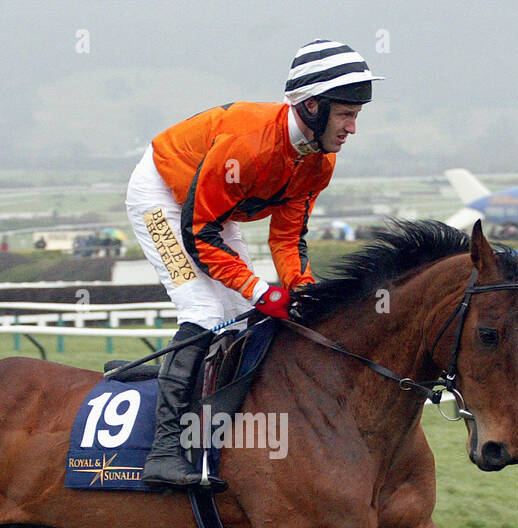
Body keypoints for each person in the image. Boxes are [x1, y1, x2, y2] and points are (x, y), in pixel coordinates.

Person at [125, 38, 381, 490]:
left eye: (356, 115)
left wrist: (299, 289)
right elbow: (199, 235)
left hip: (210, 208)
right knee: (203, 309)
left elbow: (287, 235)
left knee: (242, 319)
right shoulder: (249, 144)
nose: (352, 128)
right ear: (314, 108)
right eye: (346, 114)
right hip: (162, 197)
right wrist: (262, 290)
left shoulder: (319, 161)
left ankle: (205, 419)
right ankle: (164, 451)